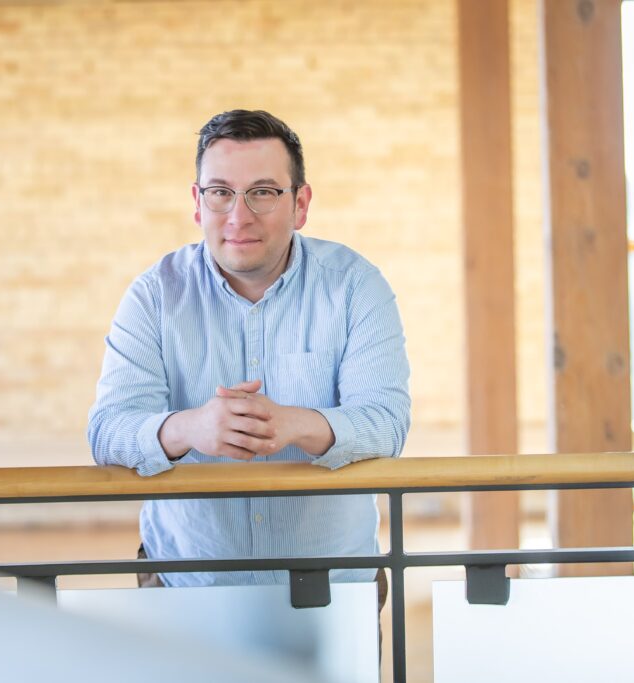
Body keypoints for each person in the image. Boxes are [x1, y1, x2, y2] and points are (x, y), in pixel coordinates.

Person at [87, 109, 410, 592]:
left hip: (332, 590)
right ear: (198, 203)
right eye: (221, 192)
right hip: (186, 588)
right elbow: (107, 432)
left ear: (300, 204)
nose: (239, 216)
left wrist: (296, 424)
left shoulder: (355, 286)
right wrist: (189, 428)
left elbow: (387, 424)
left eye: (263, 192)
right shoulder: (154, 296)